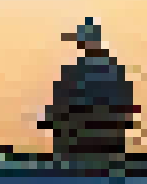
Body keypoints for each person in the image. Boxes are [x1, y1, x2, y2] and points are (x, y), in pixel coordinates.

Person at [38, 18, 139, 156]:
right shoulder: (112, 70)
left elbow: (60, 103)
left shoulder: (77, 72)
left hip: (86, 140)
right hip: (101, 139)